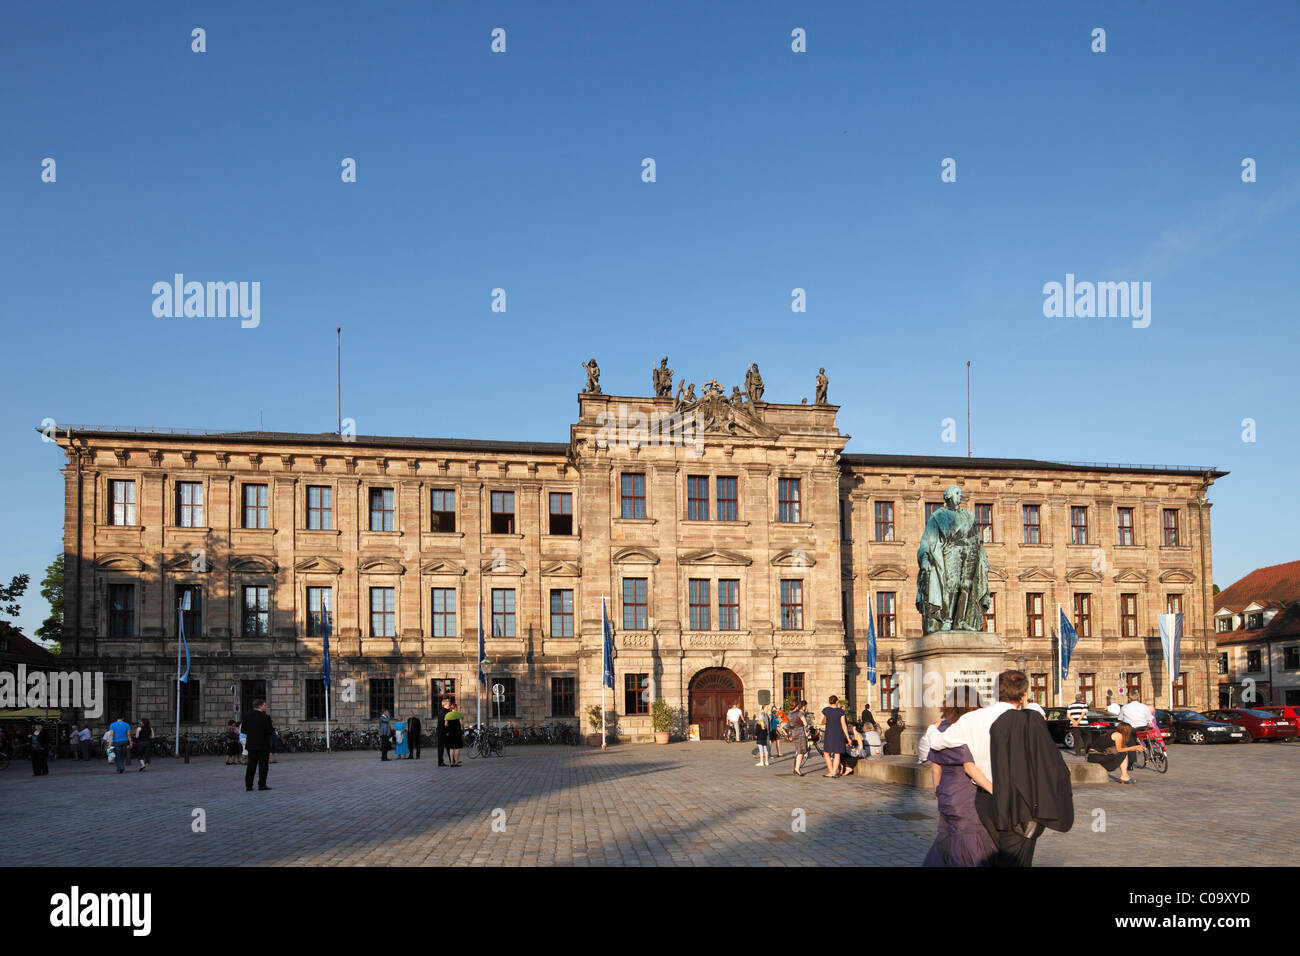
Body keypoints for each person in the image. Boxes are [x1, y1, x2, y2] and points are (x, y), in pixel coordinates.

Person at [927, 670, 1074, 867]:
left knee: (995, 855)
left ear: (996, 692)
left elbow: (937, 743)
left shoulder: (971, 719)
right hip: (1020, 802)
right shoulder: (1029, 721)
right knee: (1016, 860)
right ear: (1023, 696)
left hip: (986, 801)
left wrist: (933, 727)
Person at [920, 693, 997, 867]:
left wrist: (939, 792)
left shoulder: (939, 729)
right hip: (966, 793)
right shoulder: (966, 729)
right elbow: (969, 767)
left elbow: (935, 767)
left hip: (946, 790)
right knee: (968, 843)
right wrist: (995, 791)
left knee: (947, 838)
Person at [242, 697, 275, 791]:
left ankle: (248, 785)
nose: (266, 707)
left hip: (251, 744)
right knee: (263, 765)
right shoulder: (265, 717)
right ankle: (262, 784)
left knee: (251, 766)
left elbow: (243, 730)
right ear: (260, 706)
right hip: (263, 744)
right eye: (264, 705)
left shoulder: (247, 716)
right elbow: (269, 730)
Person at [1119, 691, 1154, 773]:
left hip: (1131, 728)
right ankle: (1150, 748)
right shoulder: (1144, 707)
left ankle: (1131, 764)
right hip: (1143, 727)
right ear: (1138, 698)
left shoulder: (1125, 707)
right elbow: (1149, 717)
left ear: (1129, 698)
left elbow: (1120, 718)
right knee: (1145, 736)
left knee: (1131, 744)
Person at [819, 695, 850, 778]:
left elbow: (821, 722)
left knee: (826, 753)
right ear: (836, 702)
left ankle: (831, 771)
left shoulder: (825, 710)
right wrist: (847, 737)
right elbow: (843, 725)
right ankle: (834, 772)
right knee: (837, 753)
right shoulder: (841, 711)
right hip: (838, 734)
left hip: (829, 733)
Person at [787, 701, 810, 776]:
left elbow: (788, 726)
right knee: (801, 751)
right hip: (801, 733)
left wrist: (789, 735)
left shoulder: (789, 714)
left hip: (794, 734)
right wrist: (808, 732)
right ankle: (797, 769)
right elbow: (805, 724)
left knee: (799, 750)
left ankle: (796, 767)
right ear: (796, 706)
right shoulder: (799, 713)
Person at [435, 698, 450, 766]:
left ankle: (441, 762)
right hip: (444, 732)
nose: (449, 704)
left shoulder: (441, 711)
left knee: (442, 747)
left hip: (441, 731)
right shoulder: (446, 711)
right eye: (448, 703)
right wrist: (447, 730)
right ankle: (451, 760)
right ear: (445, 704)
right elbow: (445, 723)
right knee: (447, 747)